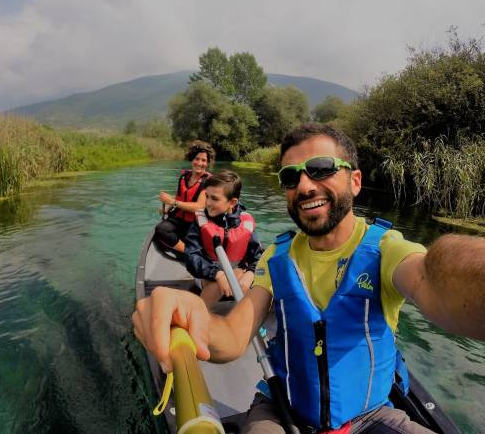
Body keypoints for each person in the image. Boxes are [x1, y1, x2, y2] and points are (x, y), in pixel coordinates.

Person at [133, 123, 485, 434]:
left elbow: (435, 280)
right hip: (282, 411)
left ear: (356, 180)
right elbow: (233, 335)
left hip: (371, 416)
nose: (304, 186)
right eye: (291, 177)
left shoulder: (388, 250)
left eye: (320, 169)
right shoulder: (276, 257)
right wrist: (191, 317)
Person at [184, 170, 263, 308]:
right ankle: (197, 316)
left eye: (214, 199)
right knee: (216, 286)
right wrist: (218, 274)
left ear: (232, 202)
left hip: (238, 272)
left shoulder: (246, 223)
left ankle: (245, 321)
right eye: (207, 196)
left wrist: (250, 274)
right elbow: (191, 257)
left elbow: (257, 257)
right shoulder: (200, 222)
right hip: (207, 275)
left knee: (256, 283)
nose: (207, 203)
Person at [154, 140, 215, 254]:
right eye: (197, 159)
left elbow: (199, 207)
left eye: (204, 160)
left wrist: (172, 202)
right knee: (161, 229)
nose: (200, 163)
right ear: (192, 159)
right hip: (179, 219)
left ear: (207, 163)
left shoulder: (208, 181)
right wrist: (168, 209)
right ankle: (187, 251)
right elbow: (180, 197)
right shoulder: (184, 176)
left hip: (195, 224)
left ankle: (190, 252)